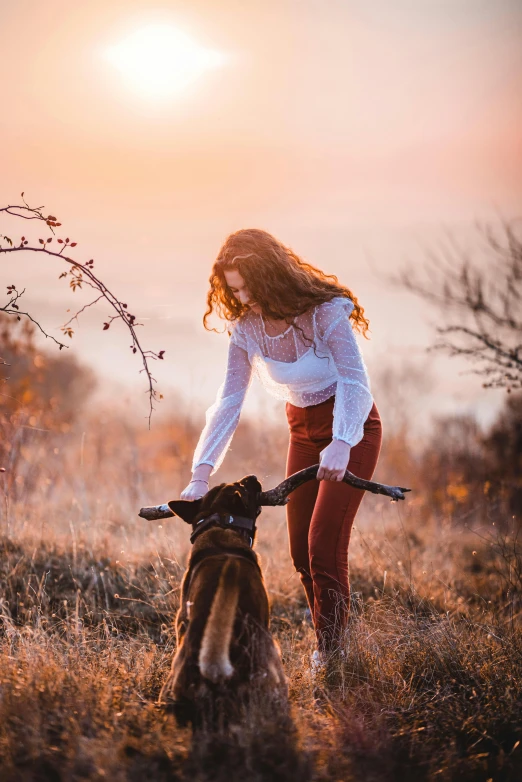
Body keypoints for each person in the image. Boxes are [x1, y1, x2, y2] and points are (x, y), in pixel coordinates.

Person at [180, 228, 382, 664]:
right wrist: (201, 473)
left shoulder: (324, 314)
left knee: (323, 546)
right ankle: (331, 642)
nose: (244, 297)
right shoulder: (248, 329)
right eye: (234, 289)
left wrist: (343, 442)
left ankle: (330, 660)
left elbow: (354, 380)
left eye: (248, 286)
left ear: (270, 275)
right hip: (303, 432)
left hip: (352, 428)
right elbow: (230, 401)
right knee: (300, 554)